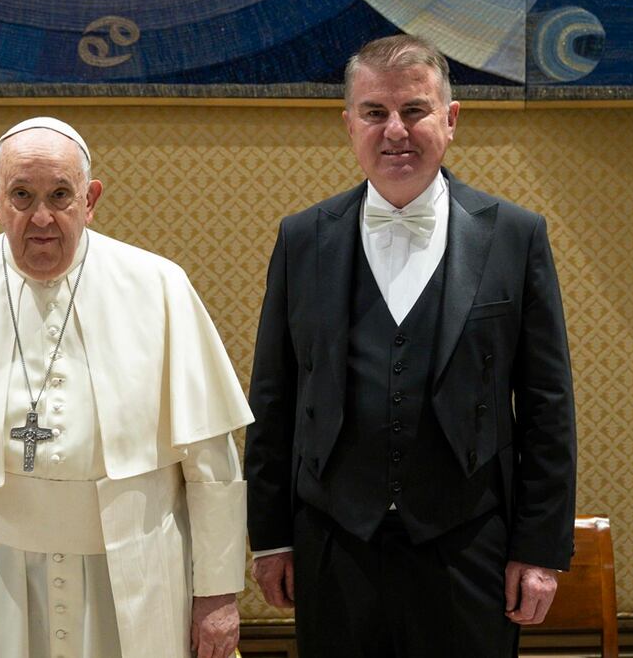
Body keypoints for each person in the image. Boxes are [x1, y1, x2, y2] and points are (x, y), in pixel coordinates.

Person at [0, 117, 253, 658]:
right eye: (22, 195)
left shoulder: (159, 287)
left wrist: (218, 596)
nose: (41, 217)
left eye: (60, 195)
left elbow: (213, 465)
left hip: (140, 576)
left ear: (91, 200)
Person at [244, 34, 577, 657]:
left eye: (414, 110)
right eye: (374, 113)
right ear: (349, 125)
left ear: (450, 120)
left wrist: (538, 550)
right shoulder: (302, 239)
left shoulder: (516, 236)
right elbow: (274, 397)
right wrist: (270, 539)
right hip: (332, 543)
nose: (395, 130)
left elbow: (546, 408)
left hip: (470, 545)